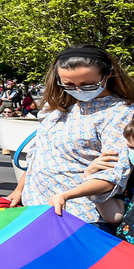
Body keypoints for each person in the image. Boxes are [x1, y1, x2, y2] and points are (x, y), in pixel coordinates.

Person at [7, 45, 134, 225]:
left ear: (108, 75)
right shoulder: (56, 107)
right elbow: (39, 154)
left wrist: (67, 195)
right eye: (69, 85)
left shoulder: (120, 113)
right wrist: (19, 190)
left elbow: (112, 175)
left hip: (80, 217)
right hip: (36, 208)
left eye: (88, 84)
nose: (78, 90)